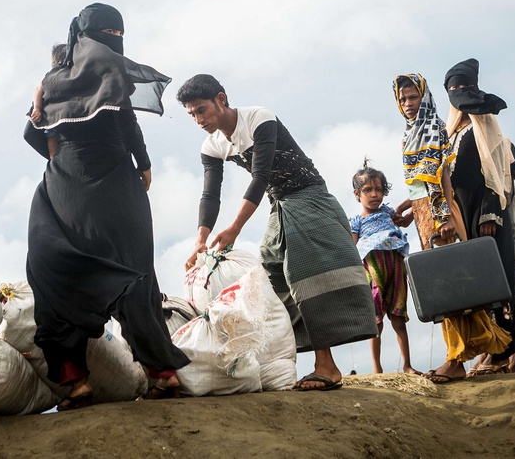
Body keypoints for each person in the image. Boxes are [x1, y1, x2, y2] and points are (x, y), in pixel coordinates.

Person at [24, 3, 189, 411]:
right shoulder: (112, 73)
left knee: (54, 271)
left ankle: (77, 385)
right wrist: (144, 166)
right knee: (133, 274)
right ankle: (163, 374)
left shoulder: (51, 83)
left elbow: (38, 135)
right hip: (119, 186)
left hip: (67, 189)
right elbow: (129, 125)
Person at [176, 74, 377, 391]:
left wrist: (234, 229)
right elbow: (210, 195)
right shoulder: (212, 145)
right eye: (192, 114)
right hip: (279, 204)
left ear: (221, 99)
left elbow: (260, 176)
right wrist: (201, 240)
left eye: (202, 110)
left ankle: (327, 366)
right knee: (271, 279)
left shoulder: (259, 118)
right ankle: (283, 367)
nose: (198, 119)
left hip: (309, 197)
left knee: (303, 274)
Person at [438, 58, 515, 380]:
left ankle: (501, 352)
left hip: (487, 214)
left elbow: (503, 176)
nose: (458, 95)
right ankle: (495, 350)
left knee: (498, 277)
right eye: (453, 89)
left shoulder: (492, 133)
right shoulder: (449, 134)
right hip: (461, 214)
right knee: (474, 281)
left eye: (463, 88)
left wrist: (490, 212)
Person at [349, 161, 420, 375]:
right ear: (357, 194)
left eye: (379, 189)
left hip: (396, 265)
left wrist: (419, 197)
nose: (374, 195)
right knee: (376, 319)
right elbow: (352, 249)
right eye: (368, 190)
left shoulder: (388, 213)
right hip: (373, 269)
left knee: (398, 317)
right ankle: (377, 368)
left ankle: (407, 365)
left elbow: (406, 220)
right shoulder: (356, 222)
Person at [390, 73, 456, 246]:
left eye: (413, 97)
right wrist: (407, 213)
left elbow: (443, 176)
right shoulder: (408, 135)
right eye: (402, 99)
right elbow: (420, 188)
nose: (408, 104)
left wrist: (446, 217)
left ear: (424, 97)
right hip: (421, 210)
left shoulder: (435, 126)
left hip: (441, 212)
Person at [29, 43, 68, 159]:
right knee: (52, 140)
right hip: (51, 119)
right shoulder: (50, 77)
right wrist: (37, 108)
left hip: (64, 117)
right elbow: (38, 91)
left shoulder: (73, 75)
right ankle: (53, 162)